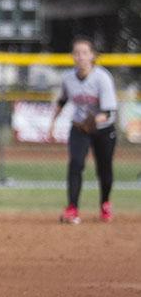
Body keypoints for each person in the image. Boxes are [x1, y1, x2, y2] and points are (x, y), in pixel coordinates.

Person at [47, 37, 118, 224]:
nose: (81, 57)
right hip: (79, 128)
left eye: (85, 53)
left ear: (92, 56)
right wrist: (52, 124)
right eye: (77, 53)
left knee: (104, 170)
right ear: (72, 56)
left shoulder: (102, 78)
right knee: (76, 164)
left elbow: (109, 111)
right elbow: (62, 101)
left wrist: (93, 120)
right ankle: (72, 208)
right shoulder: (68, 78)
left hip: (103, 129)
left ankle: (105, 203)